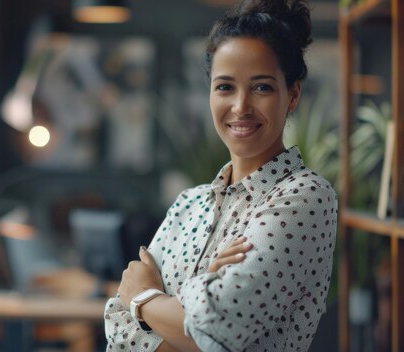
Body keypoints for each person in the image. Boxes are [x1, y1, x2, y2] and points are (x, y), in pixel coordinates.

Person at [104, 0, 337, 351]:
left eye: (262, 87)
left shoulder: (305, 197)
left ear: (292, 95)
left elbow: (220, 330)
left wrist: (144, 298)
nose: (240, 106)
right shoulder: (189, 203)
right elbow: (116, 326)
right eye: (225, 87)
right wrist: (192, 299)